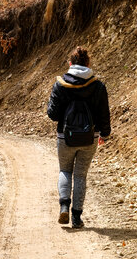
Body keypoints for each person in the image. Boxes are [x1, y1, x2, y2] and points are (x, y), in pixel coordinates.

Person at [47, 46, 111, 228]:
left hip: (64, 138)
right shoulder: (98, 86)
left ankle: (64, 207)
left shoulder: (60, 84)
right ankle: (76, 218)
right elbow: (104, 114)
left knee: (65, 171)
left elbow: (52, 114)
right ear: (88, 63)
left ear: (70, 64)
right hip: (90, 138)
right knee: (81, 175)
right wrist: (104, 134)